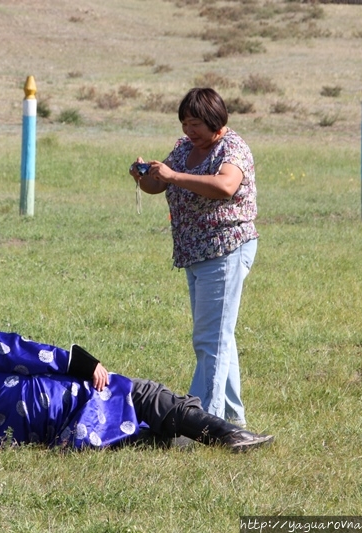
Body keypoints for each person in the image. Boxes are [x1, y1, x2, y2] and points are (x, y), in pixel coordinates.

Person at [0, 248, 273, 458]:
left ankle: (189, 435)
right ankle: (224, 434)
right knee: (133, 394)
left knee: (128, 422)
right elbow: (1, 345)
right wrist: (83, 362)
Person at [129, 87, 258, 428]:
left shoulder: (233, 148)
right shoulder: (185, 148)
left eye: (196, 123)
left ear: (215, 120)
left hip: (225, 248)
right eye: (185, 123)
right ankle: (230, 419)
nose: (189, 131)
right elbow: (160, 185)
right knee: (218, 336)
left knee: (208, 338)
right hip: (197, 252)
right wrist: (145, 178)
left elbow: (226, 186)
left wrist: (174, 176)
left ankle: (201, 421)